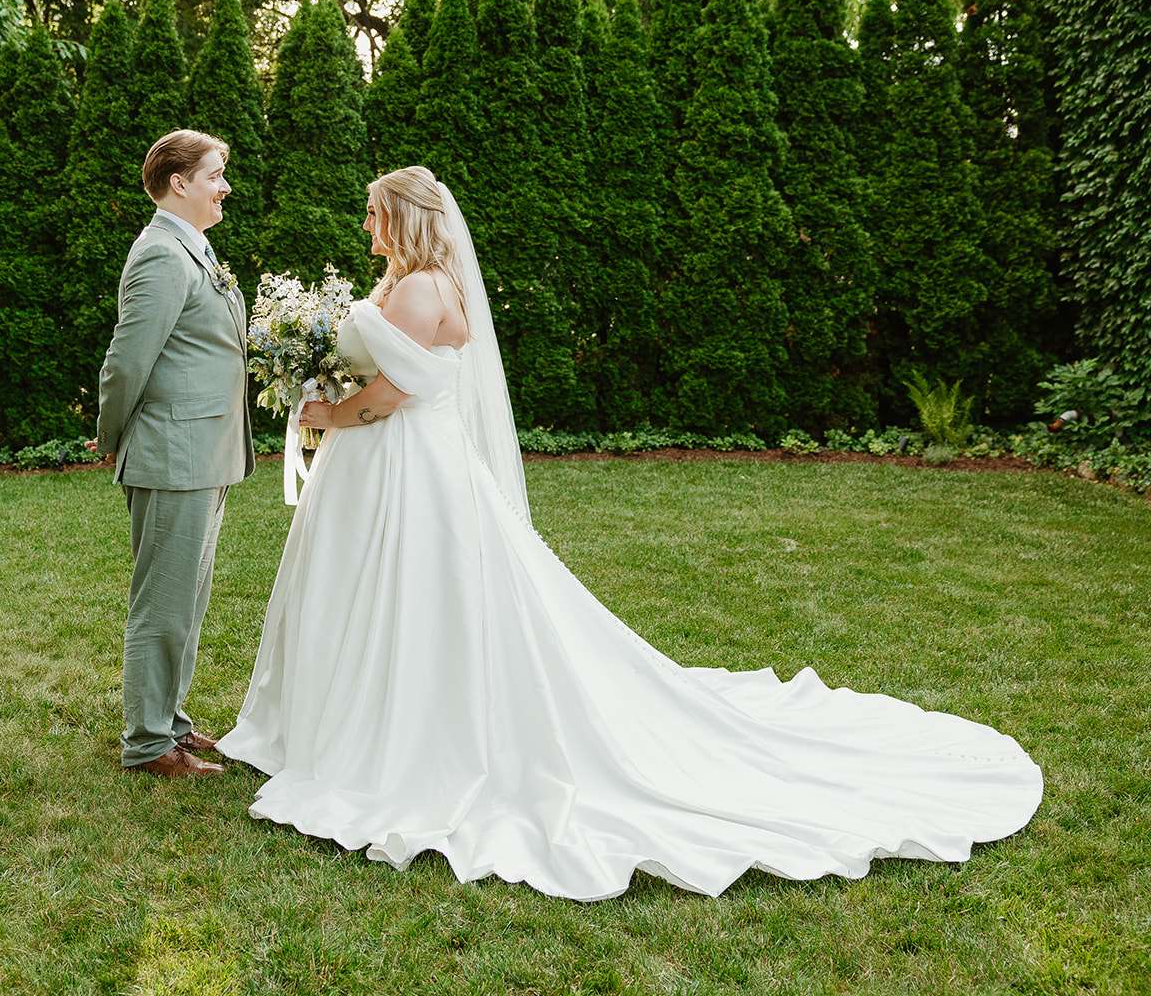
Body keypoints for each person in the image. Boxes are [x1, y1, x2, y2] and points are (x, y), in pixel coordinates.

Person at [215, 165, 1043, 900]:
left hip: (403, 465)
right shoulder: (425, 283)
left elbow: (393, 394)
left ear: (401, 216)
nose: (365, 223)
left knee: (408, 593)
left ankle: (393, 733)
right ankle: (359, 715)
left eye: (373, 212)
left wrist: (327, 414)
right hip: (412, 463)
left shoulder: (417, 290)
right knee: (410, 594)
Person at [87, 129, 254, 779]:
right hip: (173, 453)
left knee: (185, 603)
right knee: (162, 605)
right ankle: (149, 743)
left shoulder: (194, 248)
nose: (225, 187)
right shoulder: (160, 253)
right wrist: (112, 437)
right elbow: (127, 362)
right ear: (179, 183)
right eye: (215, 175)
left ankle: (171, 722)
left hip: (204, 452)